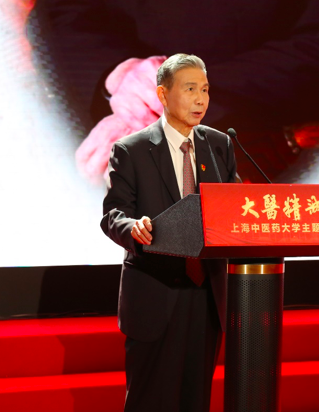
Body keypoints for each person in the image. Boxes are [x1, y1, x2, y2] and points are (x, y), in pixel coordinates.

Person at [27, 0, 319, 181]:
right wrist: (121, 75)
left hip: (265, 158)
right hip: (105, 146)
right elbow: (60, 16)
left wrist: (178, 100)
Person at [101, 54, 238, 411]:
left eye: (205, 90)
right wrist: (133, 228)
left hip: (206, 294)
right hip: (155, 293)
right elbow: (113, 215)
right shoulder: (131, 149)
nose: (200, 99)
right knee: (150, 401)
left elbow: (236, 207)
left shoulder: (220, 146)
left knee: (196, 399)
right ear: (162, 94)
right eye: (190, 89)